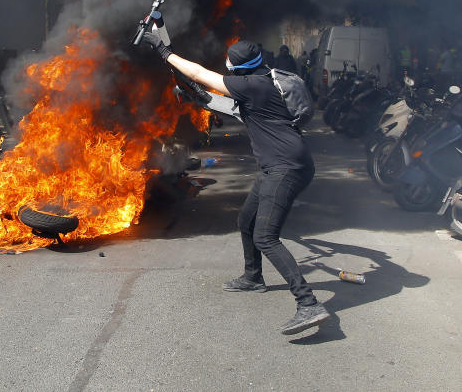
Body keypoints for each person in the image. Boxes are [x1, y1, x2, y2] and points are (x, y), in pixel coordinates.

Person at [141, 29, 330, 336]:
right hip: (278, 166)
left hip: (286, 168)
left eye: (229, 62)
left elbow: (202, 75)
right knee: (246, 221)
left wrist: (164, 52)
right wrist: (192, 92)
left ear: (239, 68)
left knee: (266, 236)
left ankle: (308, 303)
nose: (225, 64)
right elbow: (216, 99)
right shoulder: (264, 80)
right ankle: (253, 277)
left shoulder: (252, 85)